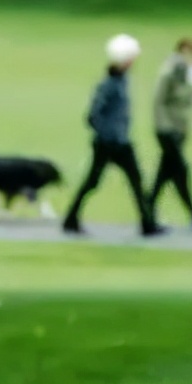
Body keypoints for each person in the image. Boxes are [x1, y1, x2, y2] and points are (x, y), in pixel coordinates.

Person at [62, 34, 166, 237]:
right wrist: (107, 133)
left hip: (120, 141)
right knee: (97, 181)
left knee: (132, 181)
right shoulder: (108, 84)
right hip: (110, 143)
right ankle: (147, 224)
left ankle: (148, 223)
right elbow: (92, 115)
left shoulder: (122, 80)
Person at [148, 38, 192, 228]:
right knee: (181, 171)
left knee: (166, 173)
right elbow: (158, 101)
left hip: (179, 130)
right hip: (168, 131)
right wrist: (165, 129)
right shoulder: (170, 72)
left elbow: (186, 103)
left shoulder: (186, 74)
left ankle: (148, 207)